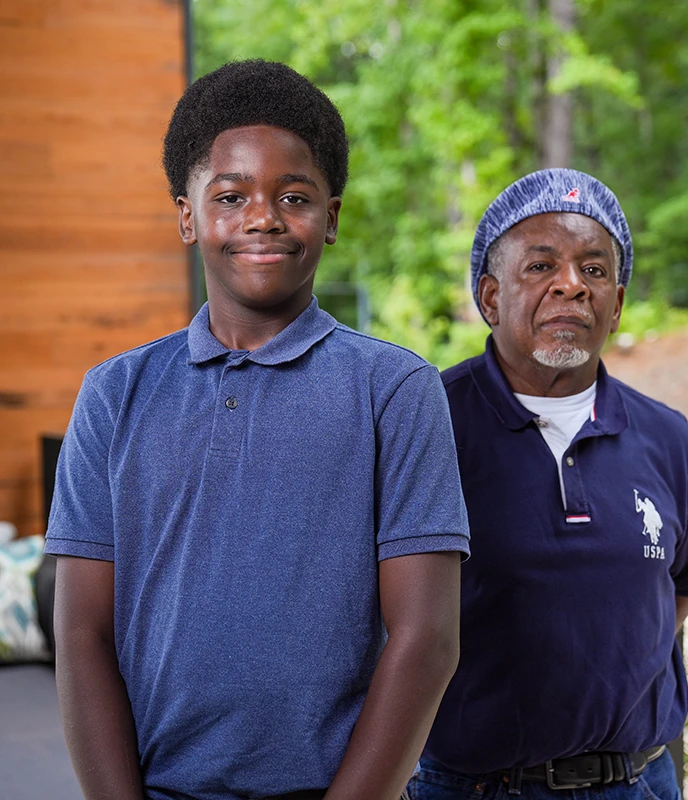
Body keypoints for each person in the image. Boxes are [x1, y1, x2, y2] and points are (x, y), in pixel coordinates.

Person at [45, 60, 470, 800]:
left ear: (331, 218)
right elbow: (82, 638)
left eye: (294, 196)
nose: (262, 217)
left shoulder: (394, 391)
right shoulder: (115, 394)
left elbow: (427, 642)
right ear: (188, 216)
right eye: (231, 195)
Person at [409, 169, 688, 800]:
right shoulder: (424, 424)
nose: (572, 286)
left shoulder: (667, 438)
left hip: (641, 782)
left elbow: (682, 589)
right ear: (490, 297)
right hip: (474, 788)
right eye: (541, 265)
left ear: (619, 302)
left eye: (595, 270)